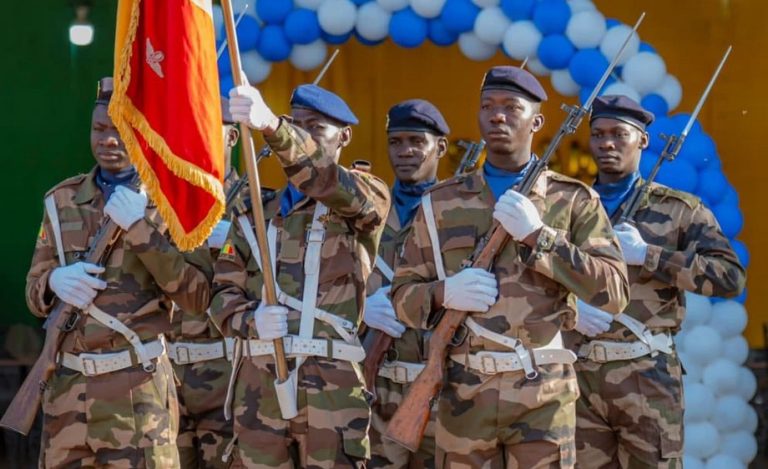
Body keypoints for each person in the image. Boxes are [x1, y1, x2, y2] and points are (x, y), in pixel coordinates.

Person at [390, 66, 630, 468]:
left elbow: (614, 293)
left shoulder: (573, 200)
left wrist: (541, 237)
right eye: (487, 106)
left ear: (536, 121)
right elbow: (402, 297)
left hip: (543, 397)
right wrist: (442, 293)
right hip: (465, 393)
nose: (497, 116)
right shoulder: (441, 202)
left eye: (510, 107)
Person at [26, 77, 213, 468]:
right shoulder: (61, 201)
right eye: (99, 129)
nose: (108, 140)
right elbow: (34, 290)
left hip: (137, 393)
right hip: (68, 395)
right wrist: (53, 283)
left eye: (120, 131)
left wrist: (141, 229)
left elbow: (197, 295)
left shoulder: (171, 203)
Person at [210, 83, 390, 468]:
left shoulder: (364, 194)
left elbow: (325, 179)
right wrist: (250, 320)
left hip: (330, 385)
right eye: (299, 126)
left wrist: (276, 128)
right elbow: (222, 295)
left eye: (316, 129)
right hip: (261, 384)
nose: (304, 136)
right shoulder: (255, 211)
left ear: (344, 137)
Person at [567, 95, 746, 468]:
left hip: (646, 375)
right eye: (598, 134)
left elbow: (730, 278)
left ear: (643, 140)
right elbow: (535, 278)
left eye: (619, 133)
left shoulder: (679, 209)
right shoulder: (569, 206)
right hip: (579, 376)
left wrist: (649, 255)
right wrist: (569, 309)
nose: (607, 143)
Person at [364, 99, 449, 469]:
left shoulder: (458, 209)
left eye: (417, 141)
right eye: (396, 142)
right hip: (376, 384)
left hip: (441, 389)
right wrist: (360, 307)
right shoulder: (367, 210)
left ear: (440, 148)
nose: (405, 152)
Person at [168, 99, 246, 468]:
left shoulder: (255, 207)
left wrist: (242, 240)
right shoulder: (160, 202)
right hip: (165, 379)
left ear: (232, 137)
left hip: (228, 380)